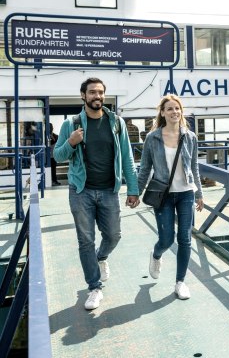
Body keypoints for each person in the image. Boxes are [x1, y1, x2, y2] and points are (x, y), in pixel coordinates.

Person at [54, 77, 140, 311]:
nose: (97, 96)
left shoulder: (116, 123)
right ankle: (94, 287)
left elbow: (128, 158)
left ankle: (101, 257)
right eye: (92, 92)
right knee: (85, 241)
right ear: (83, 96)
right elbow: (58, 156)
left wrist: (133, 188)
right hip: (81, 192)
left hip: (109, 191)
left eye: (100, 92)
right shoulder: (70, 125)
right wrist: (71, 143)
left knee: (113, 235)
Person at [137, 94, 204, 300]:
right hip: (163, 195)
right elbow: (145, 168)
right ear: (163, 113)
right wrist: (135, 193)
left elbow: (194, 167)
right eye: (170, 109)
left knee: (185, 239)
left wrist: (199, 192)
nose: (175, 112)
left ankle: (180, 282)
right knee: (166, 239)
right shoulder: (153, 138)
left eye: (177, 108)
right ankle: (156, 255)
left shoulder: (190, 137)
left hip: (186, 194)